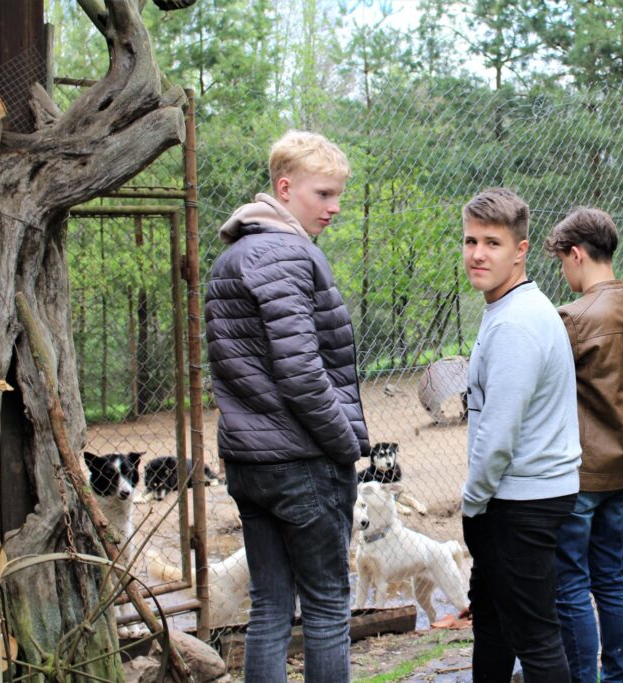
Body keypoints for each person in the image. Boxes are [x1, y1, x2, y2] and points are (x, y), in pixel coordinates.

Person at [204, 130, 368, 682]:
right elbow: (302, 373)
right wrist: (344, 445)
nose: (334, 207)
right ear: (284, 187)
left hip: (249, 464)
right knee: (325, 606)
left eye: (337, 194)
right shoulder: (289, 255)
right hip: (302, 461)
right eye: (323, 194)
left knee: (270, 606)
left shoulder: (232, 257)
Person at [460, 187, 582, 682]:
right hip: (519, 496)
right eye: (470, 241)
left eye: (493, 243)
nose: (478, 254)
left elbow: (499, 433)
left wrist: (473, 502)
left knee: (534, 638)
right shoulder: (511, 309)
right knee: (493, 621)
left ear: (521, 250)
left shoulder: (515, 323)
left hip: (518, 502)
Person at [544, 207, 623, 683]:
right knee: (611, 576)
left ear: (576, 254)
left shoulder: (572, 318)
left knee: (570, 583)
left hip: (582, 471)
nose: (563, 273)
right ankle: (619, 677)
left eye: (561, 262)